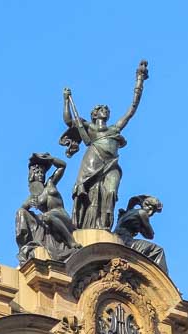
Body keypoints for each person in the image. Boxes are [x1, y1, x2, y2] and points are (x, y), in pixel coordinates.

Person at [61, 61, 148, 230]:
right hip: (92, 161)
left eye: (107, 109)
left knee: (110, 192)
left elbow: (131, 110)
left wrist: (140, 81)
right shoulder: (89, 128)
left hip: (112, 165)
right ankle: (88, 226)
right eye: (102, 109)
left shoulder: (115, 128)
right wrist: (66, 101)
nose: (105, 111)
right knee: (90, 193)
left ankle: (105, 225)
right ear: (94, 114)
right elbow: (68, 120)